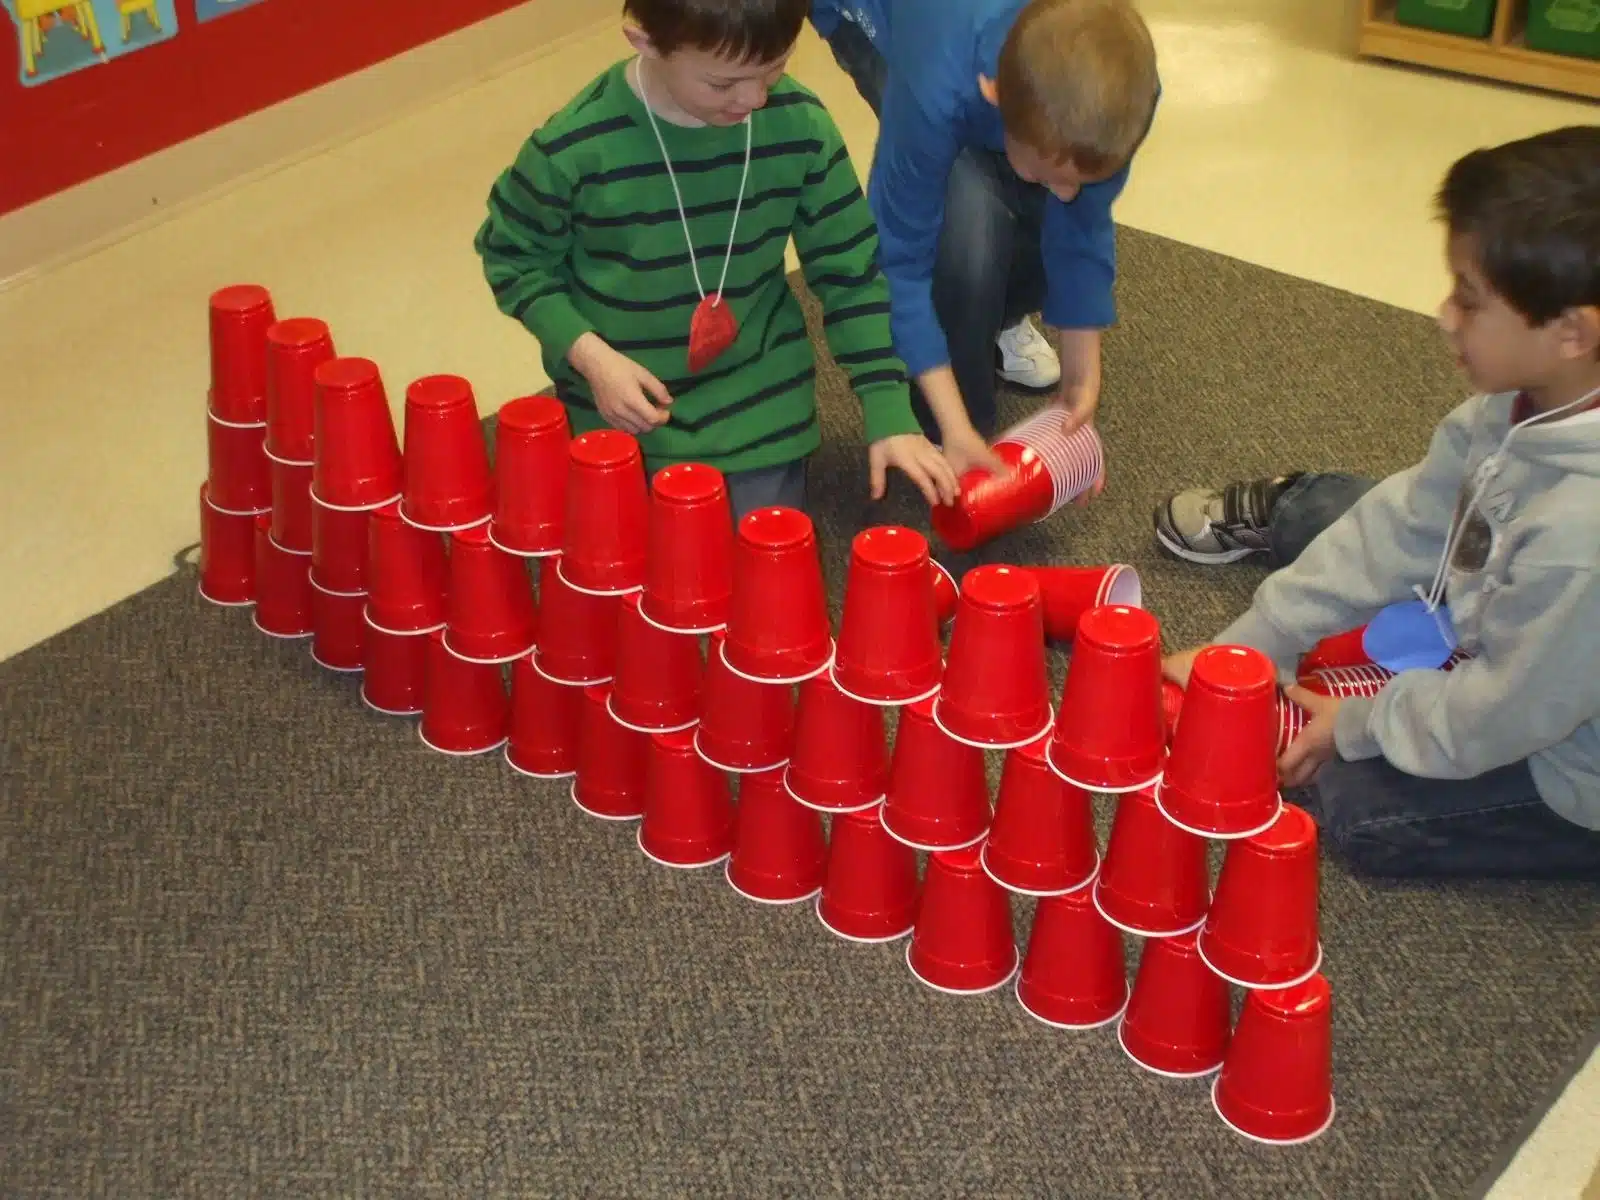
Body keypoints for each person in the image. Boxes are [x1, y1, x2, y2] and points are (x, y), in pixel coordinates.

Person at [1154, 125, 1600, 882]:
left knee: (1361, 808)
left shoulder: (1578, 543)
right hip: (1521, 615)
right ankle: (1297, 508)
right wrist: (1259, 641)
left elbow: (1505, 712)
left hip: (1567, 754)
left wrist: (1360, 725)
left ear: (1571, 333)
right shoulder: (1517, 400)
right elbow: (1402, 526)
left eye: (1469, 300)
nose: (1445, 316)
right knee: (1365, 521)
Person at [473, 0, 957, 520]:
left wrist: (888, 409)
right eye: (722, 83)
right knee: (618, 552)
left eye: (774, 67)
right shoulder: (572, 148)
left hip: (756, 404)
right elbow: (513, 257)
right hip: (618, 403)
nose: (754, 98)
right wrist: (591, 357)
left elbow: (851, 274)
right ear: (646, 42)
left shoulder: (799, 124)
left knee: (761, 553)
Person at [809, 0, 1159, 475]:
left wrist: (1082, 377)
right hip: (899, 22)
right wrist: (956, 426)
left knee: (1043, 207)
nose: (1067, 194)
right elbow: (900, 260)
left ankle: (996, 317)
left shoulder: (1120, 83)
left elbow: (1082, 223)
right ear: (994, 95)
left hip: (974, 49)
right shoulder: (935, 85)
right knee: (965, 218)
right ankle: (943, 425)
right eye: (1051, 174)